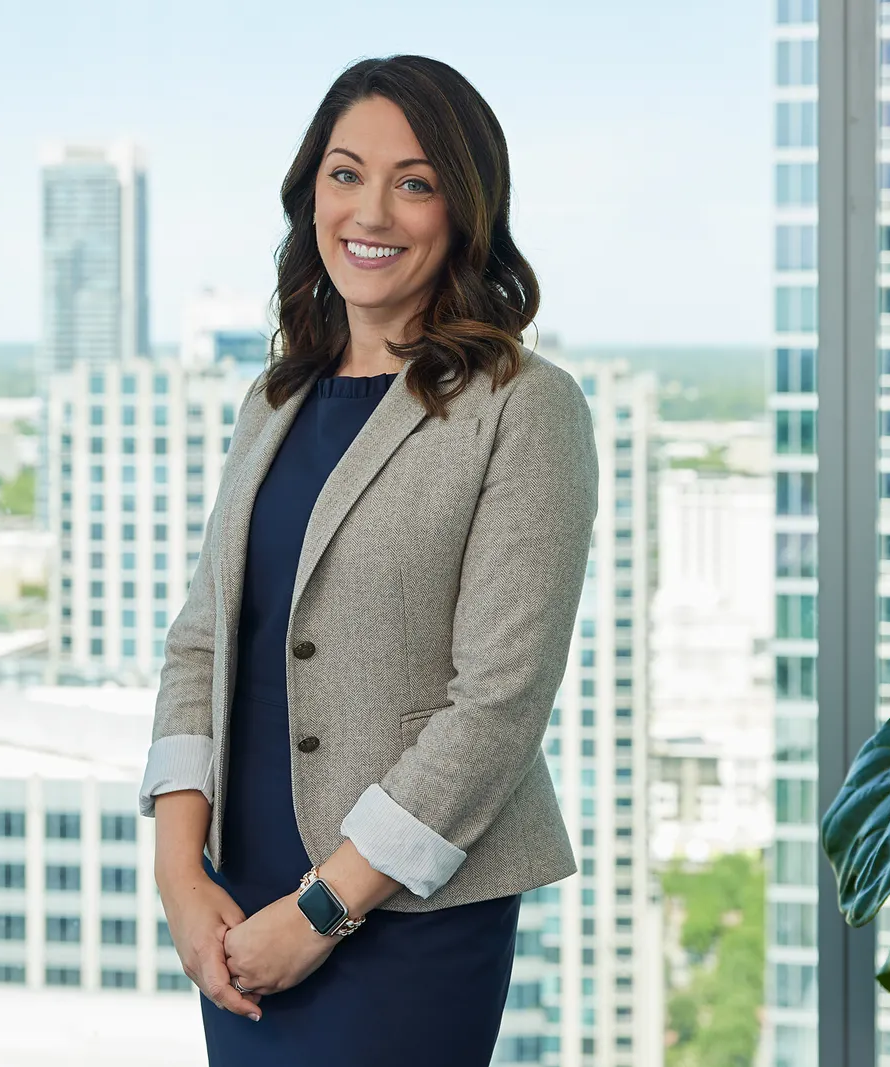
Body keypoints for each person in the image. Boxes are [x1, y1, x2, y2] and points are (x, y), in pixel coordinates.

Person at [137, 53, 598, 1066]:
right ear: (312, 196)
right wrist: (179, 871)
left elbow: (498, 703)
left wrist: (319, 909)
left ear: (464, 210)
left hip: (404, 912)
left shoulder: (525, 405)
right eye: (345, 174)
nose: (372, 211)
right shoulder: (273, 399)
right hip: (236, 902)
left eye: (415, 181)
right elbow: (200, 641)